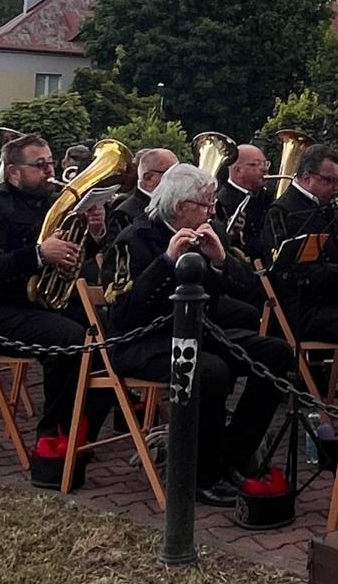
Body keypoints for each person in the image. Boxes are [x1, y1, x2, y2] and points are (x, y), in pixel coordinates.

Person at [105, 163, 295, 507]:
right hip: (143, 342)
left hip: (199, 331)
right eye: (207, 204)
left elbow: (250, 293)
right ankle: (201, 476)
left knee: (277, 353)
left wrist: (221, 261)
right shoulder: (134, 238)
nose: (212, 210)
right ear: (182, 207)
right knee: (210, 371)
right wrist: (166, 261)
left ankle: (233, 454)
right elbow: (124, 314)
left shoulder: (210, 231)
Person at [0, 135, 107, 485]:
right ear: (14, 172)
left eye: (50, 163)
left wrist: (94, 231)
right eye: (39, 165)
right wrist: (40, 254)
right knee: (70, 339)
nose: (49, 171)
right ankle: (51, 439)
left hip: (42, 306)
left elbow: (76, 259)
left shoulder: (53, 204)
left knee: (108, 332)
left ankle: (81, 431)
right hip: (1, 312)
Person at [263, 143, 338, 346]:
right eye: (329, 180)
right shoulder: (281, 213)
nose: (336, 188)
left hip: (336, 299)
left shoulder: (329, 206)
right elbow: (288, 274)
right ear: (307, 177)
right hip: (305, 307)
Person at [107, 146, 177, 242]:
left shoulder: (175, 207)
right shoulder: (123, 214)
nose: (178, 179)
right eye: (172, 174)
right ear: (148, 178)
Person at [220, 142, 273, 257]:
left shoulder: (268, 197)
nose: (264, 169)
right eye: (255, 164)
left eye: (265, 164)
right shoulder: (222, 202)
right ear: (238, 171)